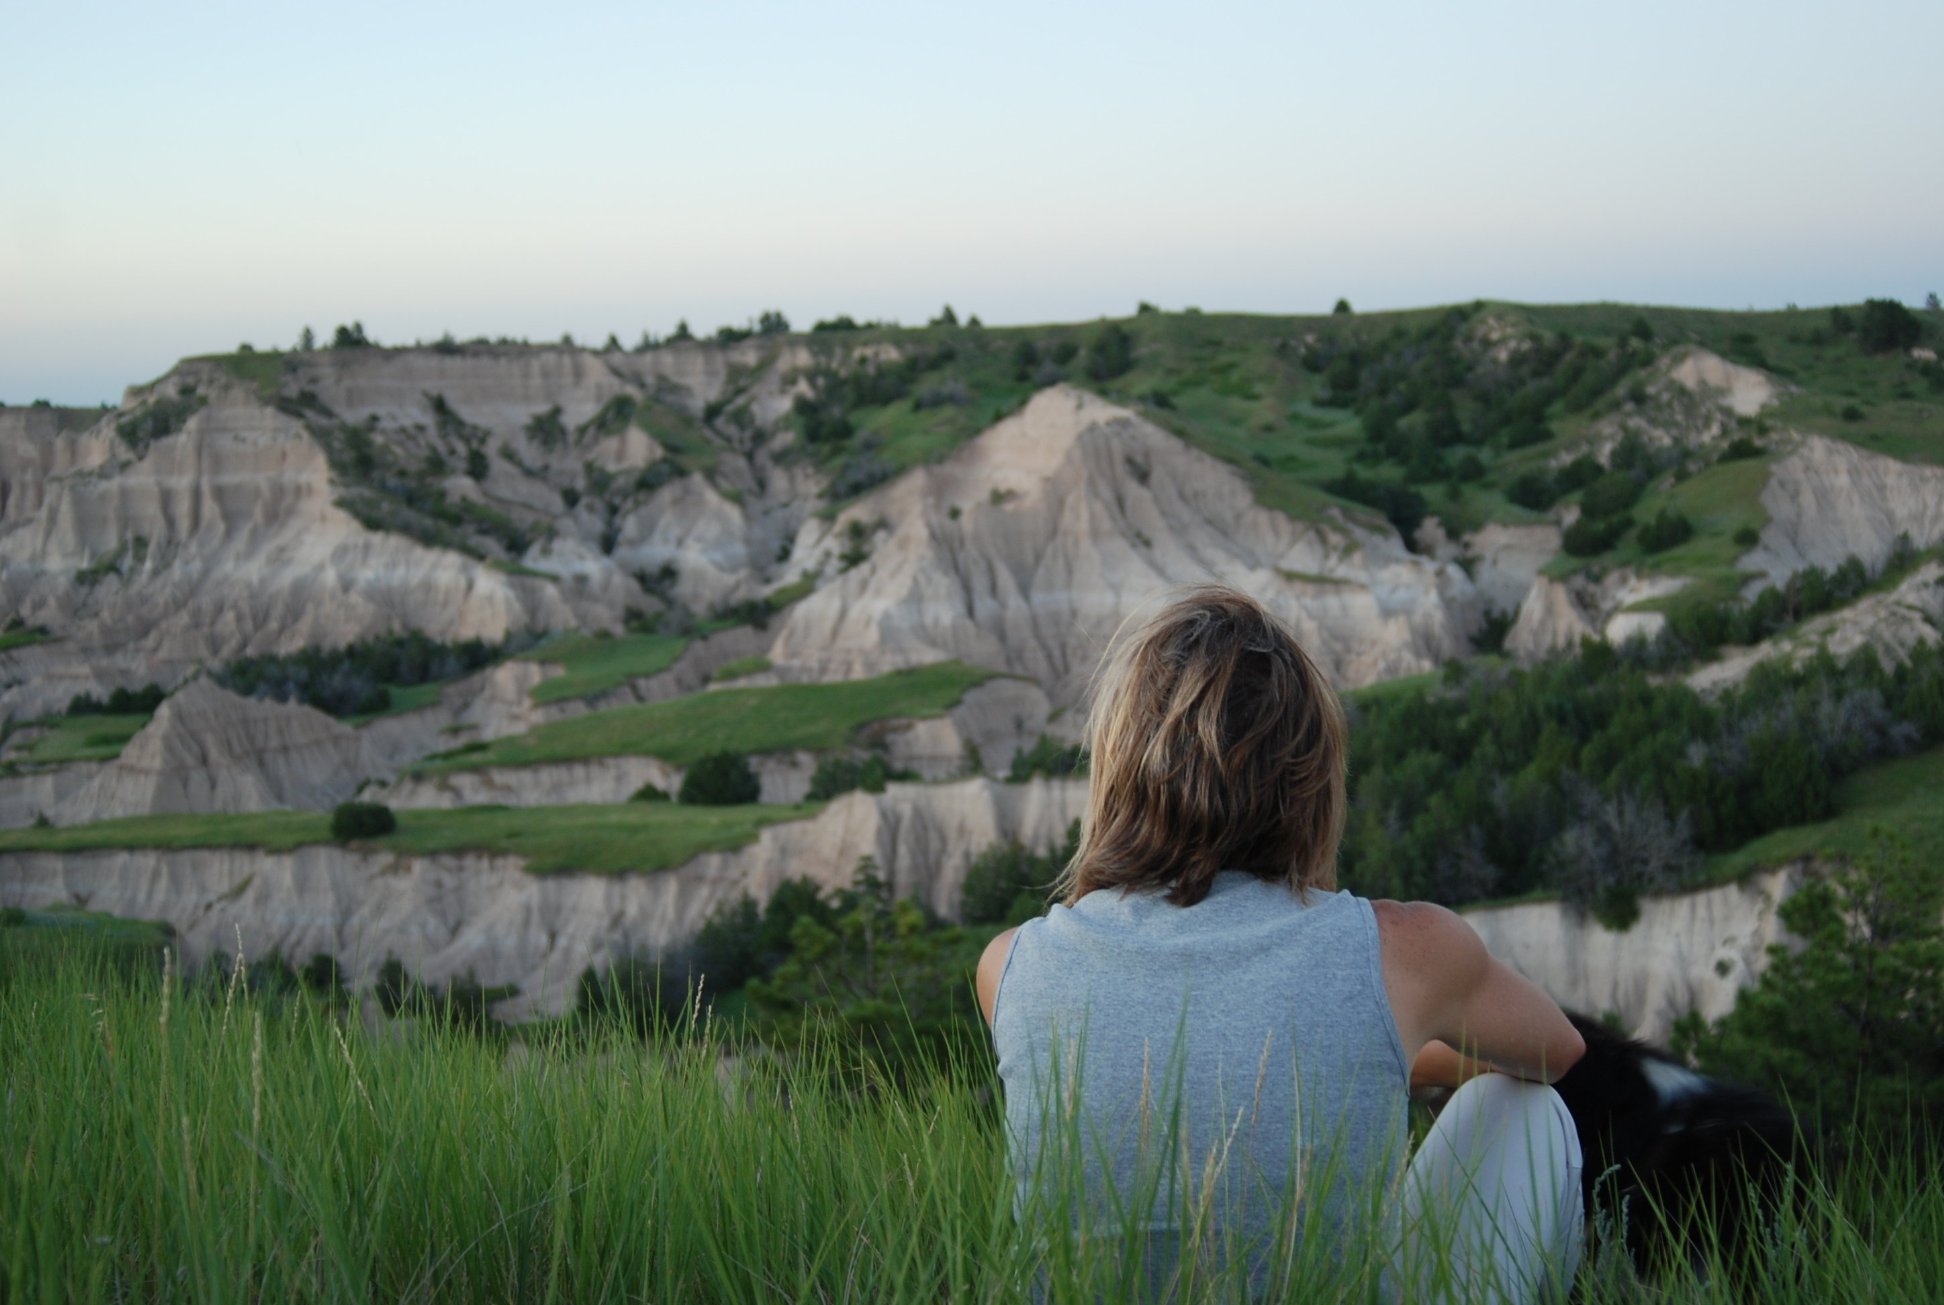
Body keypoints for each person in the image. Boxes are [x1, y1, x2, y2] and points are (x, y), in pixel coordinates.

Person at [977, 585, 1586, 1302]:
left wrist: (1384, 1057)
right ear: (1311, 775)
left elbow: (1188, 1050)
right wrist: (1401, 1053)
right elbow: (1557, 1049)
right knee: (1531, 1113)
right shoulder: (1406, 949)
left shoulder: (1013, 964)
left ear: (1119, 771)